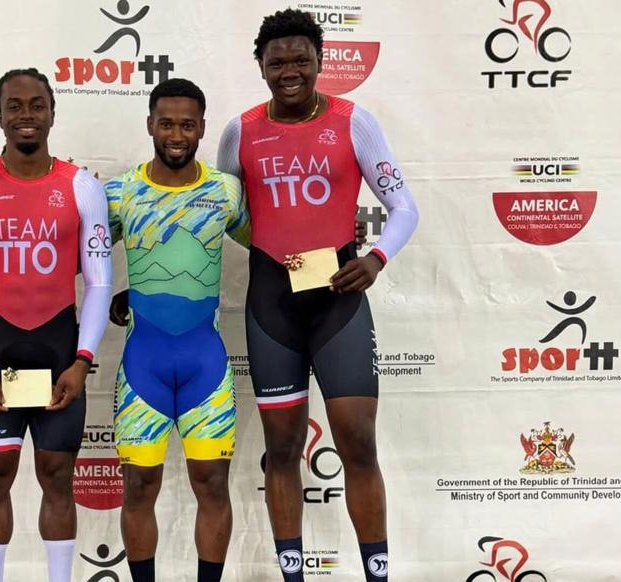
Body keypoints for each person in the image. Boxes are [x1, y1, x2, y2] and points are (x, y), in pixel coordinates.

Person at [216, 9, 419, 582]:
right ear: (260, 66)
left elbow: (405, 206)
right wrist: (275, 242)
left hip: (338, 301)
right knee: (280, 449)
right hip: (272, 304)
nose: (289, 70)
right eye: (276, 61)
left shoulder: (354, 121)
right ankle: (293, 575)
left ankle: (377, 572)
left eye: (300, 59)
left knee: (357, 443)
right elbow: (226, 213)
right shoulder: (240, 131)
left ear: (320, 62)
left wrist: (375, 259)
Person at [0, 68, 112, 582]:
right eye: (14, 106)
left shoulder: (82, 186)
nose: (26, 116)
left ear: (53, 113)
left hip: (62, 355)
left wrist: (83, 362)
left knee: (57, 477)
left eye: (37, 105)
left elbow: (99, 283)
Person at [104, 78, 249, 582]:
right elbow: (74, 253)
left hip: (204, 366)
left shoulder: (226, 192)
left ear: (202, 128)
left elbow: (275, 242)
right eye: (166, 123)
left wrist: (334, 245)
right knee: (139, 489)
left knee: (212, 485)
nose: (176, 134)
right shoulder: (121, 193)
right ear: (149, 124)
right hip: (143, 365)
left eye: (187, 124)